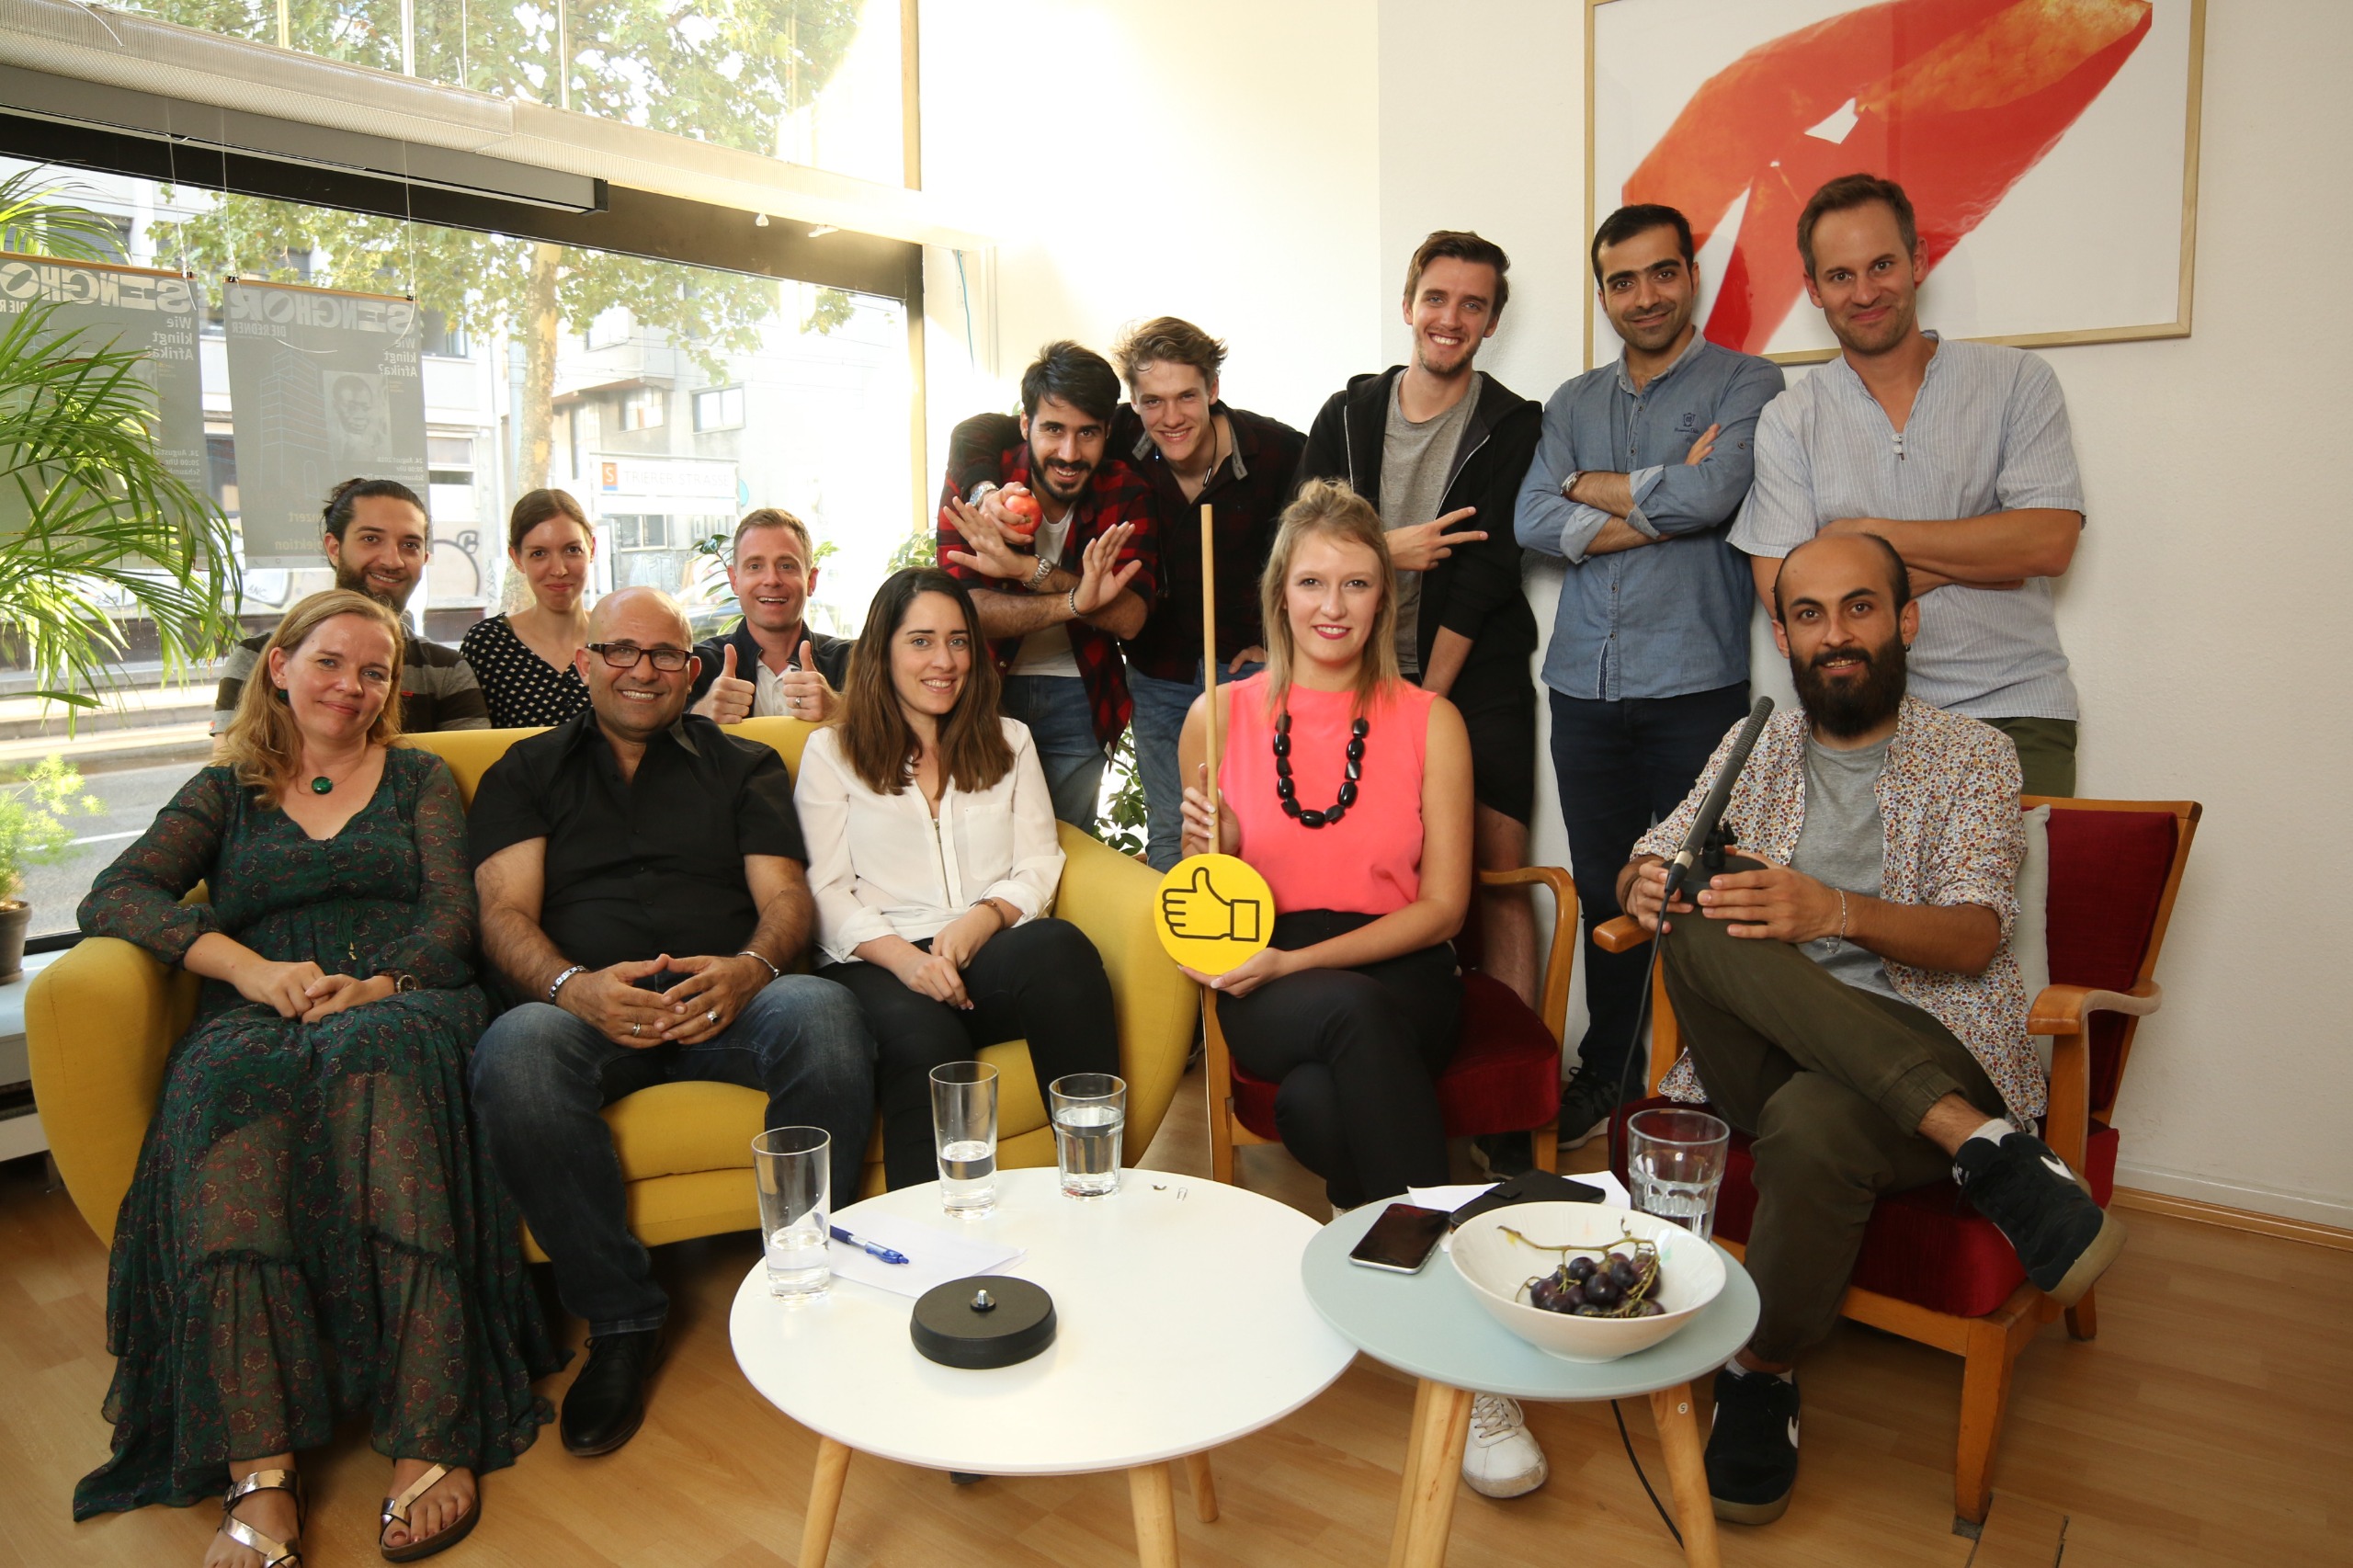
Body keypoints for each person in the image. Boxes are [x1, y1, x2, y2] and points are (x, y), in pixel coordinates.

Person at [1620, 531, 2122, 1525]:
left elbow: (1976, 936)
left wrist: (1832, 911)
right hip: (1764, 1049)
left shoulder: (1974, 754)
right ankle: (1980, 1146)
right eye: (1809, 615)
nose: (1836, 634)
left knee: (1815, 1120)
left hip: (1925, 1034)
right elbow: (1658, 847)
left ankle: (1761, 1373)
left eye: (1859, 607)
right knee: (1696, 900)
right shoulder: (1752, 743)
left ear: (1906, 621)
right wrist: (1642, 880)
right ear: (1784, 636)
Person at [73, 589, 560, 1565]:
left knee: (376, 1062)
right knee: (225, 1088)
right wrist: (248, 969)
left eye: (374, 672)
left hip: (403, 993)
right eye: (331, 662)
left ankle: (429, 1425)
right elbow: (115, 894)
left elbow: (451, 918)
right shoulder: (225, 789)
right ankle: (261, 1465)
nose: (352, 686)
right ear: (281, 666)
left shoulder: (418, 777)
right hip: (261, 999)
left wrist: (381, 981)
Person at [1176, 482, 1534, 1498]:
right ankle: (1464, 1341)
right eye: (1311, 583)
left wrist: (1299, 964)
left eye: (1357, 584)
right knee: (1336, 1039)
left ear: (1386, 598)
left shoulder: (1431, 721)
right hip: (1263, 967)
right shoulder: (1216, 716)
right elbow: (1201, 907)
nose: (1332, 606)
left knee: (1317, 1097)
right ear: (1278, 593)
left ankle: (1373, 1219)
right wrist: (1220, 855)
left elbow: (1445, 909)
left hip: (1400, 968)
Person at [465, 586, 878, 1459]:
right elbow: (502, 915)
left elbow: (785, 898)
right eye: (622, 650)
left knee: (825, 1014)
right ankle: (621, 1322)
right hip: (586, 1010)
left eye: (663, 655)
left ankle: (802, 1272)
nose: (642, 671)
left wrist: (751, 968)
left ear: (692, 670)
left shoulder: (744, 764)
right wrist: (574, 987)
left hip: (729, 1001)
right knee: (516, 1054)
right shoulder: (526, 770)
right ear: (586, 662)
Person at [1513, 204, 1786, 1154]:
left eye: (1661, 273)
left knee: (1697, 894)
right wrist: (1665, 495)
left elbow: (1718, 492)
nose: (1644, 296)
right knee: (1605, 887)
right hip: (1582, 687)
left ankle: (1701, 1082)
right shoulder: (1571, 401)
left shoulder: (1747, 382)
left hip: (1693, 684)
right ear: (1603, 294)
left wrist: (1590, 486)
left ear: (1691, 276)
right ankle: (1610, 1072)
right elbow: (1530, 519)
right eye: (1622, 281)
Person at [1731, 174, 2087, 797]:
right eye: (1840, 276)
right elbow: (1787, 593)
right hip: (1859, 721)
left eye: (1882, 265)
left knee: (2015, 870)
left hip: (2016, 711)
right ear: (1814, 289)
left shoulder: (2018, 382)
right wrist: (1984, 557)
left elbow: (2048, 543)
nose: (1865, 292)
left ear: (1917, 260)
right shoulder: (1790, 419)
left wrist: (1864, 537)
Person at [794, 568, 1120, 1188]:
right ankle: (930, 1233)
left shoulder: (1010, 741)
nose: (943, 661)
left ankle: (1095, 1178)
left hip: (983, 950)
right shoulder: (831, 753)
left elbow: (1039, 861)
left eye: (958, 641)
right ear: (883, 651)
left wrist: (985, 917)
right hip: (879, 963)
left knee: (1059, 947)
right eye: (920, 641)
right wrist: (907, 961)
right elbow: (824, 888)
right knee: (927, 1040)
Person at [1296, 231, 1542, 1016]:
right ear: (1408, 305)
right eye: (1436, 298)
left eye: (1472, 305)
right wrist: (1384, 547)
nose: (1450, 318)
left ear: (1491, 323)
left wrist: (1423, 706)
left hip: (1474, 675)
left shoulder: (1513, 424)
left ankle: (1521, 1073)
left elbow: (1487, 573)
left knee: (1499, 871)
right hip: (1355, 672)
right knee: (1362, 866)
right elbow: (1300, 541)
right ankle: (1367, 1036)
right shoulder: (1347, 415)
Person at [1103, 316, 1305, 870]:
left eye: (1186, 397)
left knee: (1258, 836)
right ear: (1134, 401)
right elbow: (993, 432)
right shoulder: (1117, 438)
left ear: (1213, 389)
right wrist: (985, 489)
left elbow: (1314, 556)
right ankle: (1182, 934)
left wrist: (1281, 644)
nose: (1170, 418)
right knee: (1173, 836)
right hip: (1158, 674)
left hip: (1247, 675)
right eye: (1153, 401)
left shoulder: (1279, 451)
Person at [936, 340, 1159, 829]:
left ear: (1107, 433)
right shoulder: (976, 492)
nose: (1069, 453)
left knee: (1066, 846)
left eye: (1087, 433)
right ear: (1024, 424)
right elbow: (964, 612)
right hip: (983, 690)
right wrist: (1076, 601)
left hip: (1082, 695)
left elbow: (1131, 618)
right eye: (1053, 429)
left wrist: (1024, 570)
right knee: (979, 838)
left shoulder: (1125, 491)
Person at [212, 478, 490, 737]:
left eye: (410, 545)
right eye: (371, 539)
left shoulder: (445, 669)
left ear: (425, 558)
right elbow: (236, 763)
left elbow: (469, 768)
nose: (392, 561)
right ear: (334, 548)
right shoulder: (258, 656)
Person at [686, 506, 852, 724]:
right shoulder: (695, 666)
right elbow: (654, 737)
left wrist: (838, 710)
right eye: (755, 566)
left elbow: (891, 734)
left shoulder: (853, 661)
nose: (772, 580)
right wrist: (700, 714)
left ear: (811, 580)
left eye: (786, 566)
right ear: (734, 580)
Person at [460, 487, 597, 728]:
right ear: (516, 558)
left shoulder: (620, 638)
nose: (559, 570)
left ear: (592, 549)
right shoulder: (487, 645)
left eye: (572, 550)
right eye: (539, 553)